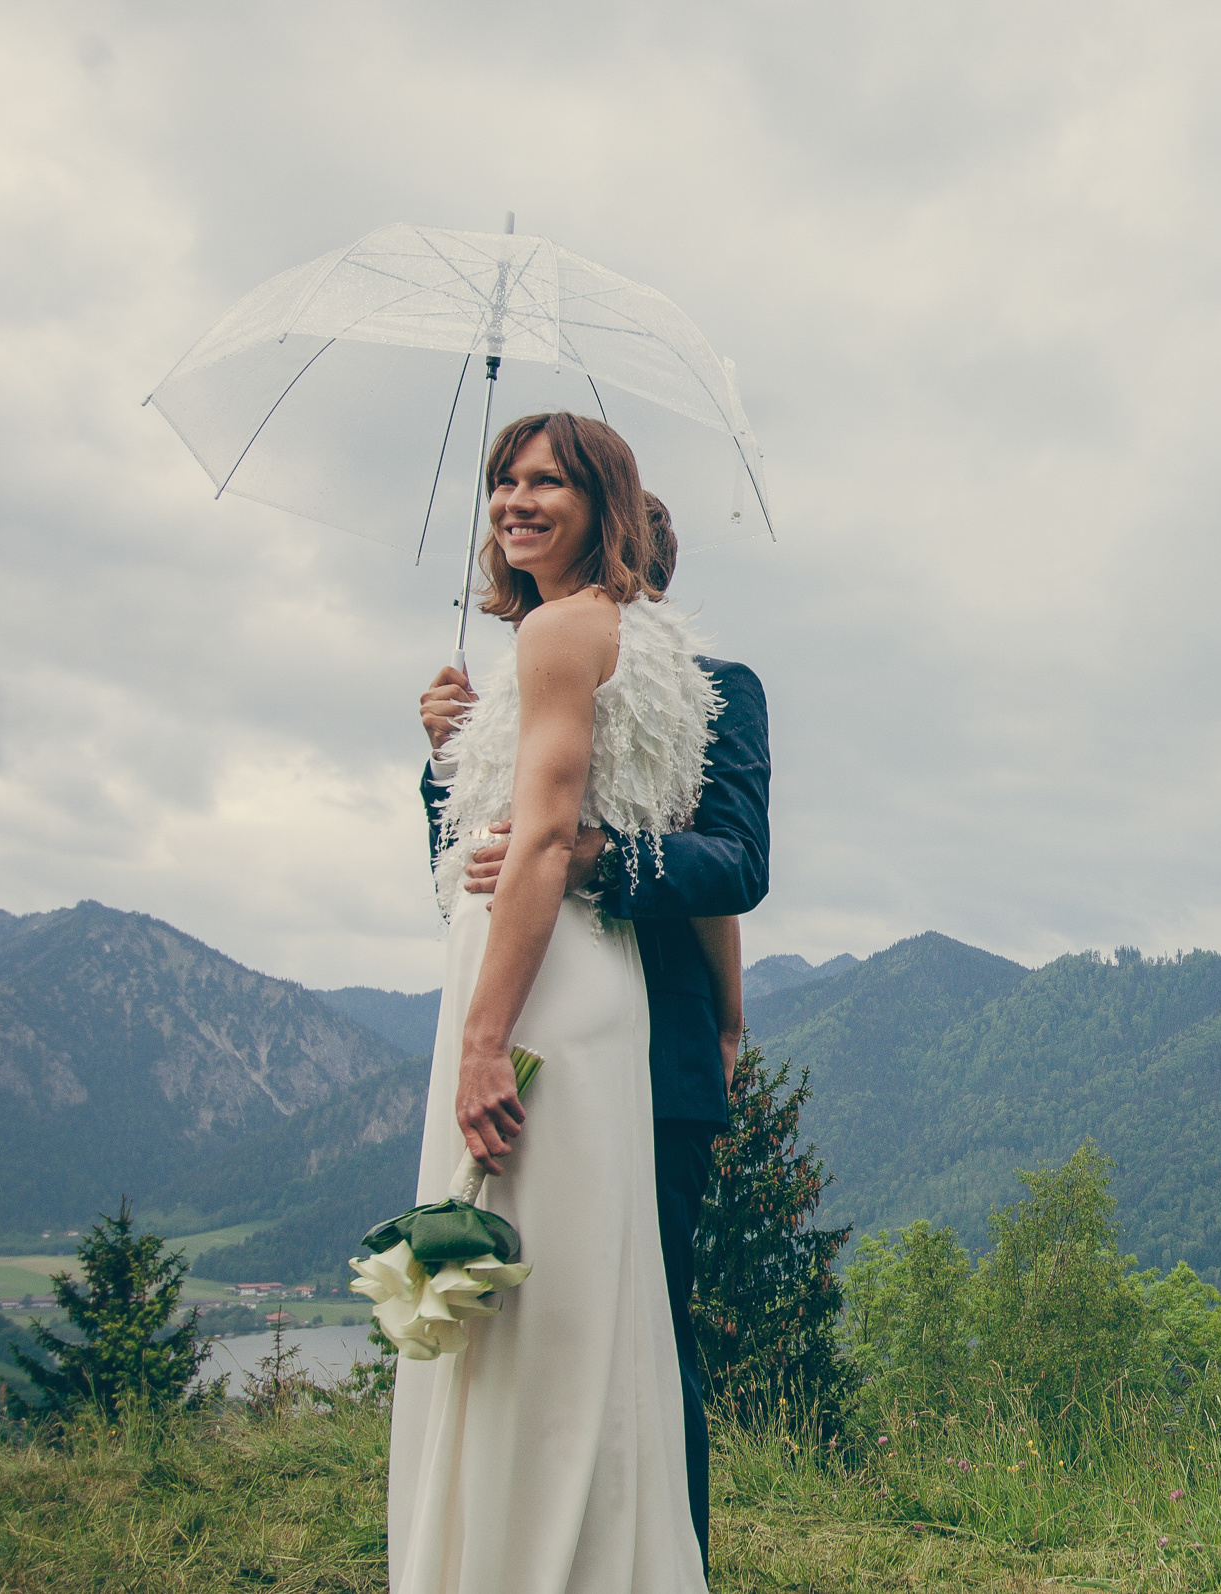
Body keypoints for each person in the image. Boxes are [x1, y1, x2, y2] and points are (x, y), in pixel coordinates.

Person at [393, 413, 761, 1593]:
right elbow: (474, 863)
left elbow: (735, 868)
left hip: (643, 1044)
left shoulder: (717, 687)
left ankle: (657, 1551)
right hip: (533, 986)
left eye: (548, 482)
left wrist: (601, 858)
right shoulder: (510, 678)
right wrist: (445, 758)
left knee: (644, 1341)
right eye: (505, 482)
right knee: (535, 1318)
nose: (518, 500)